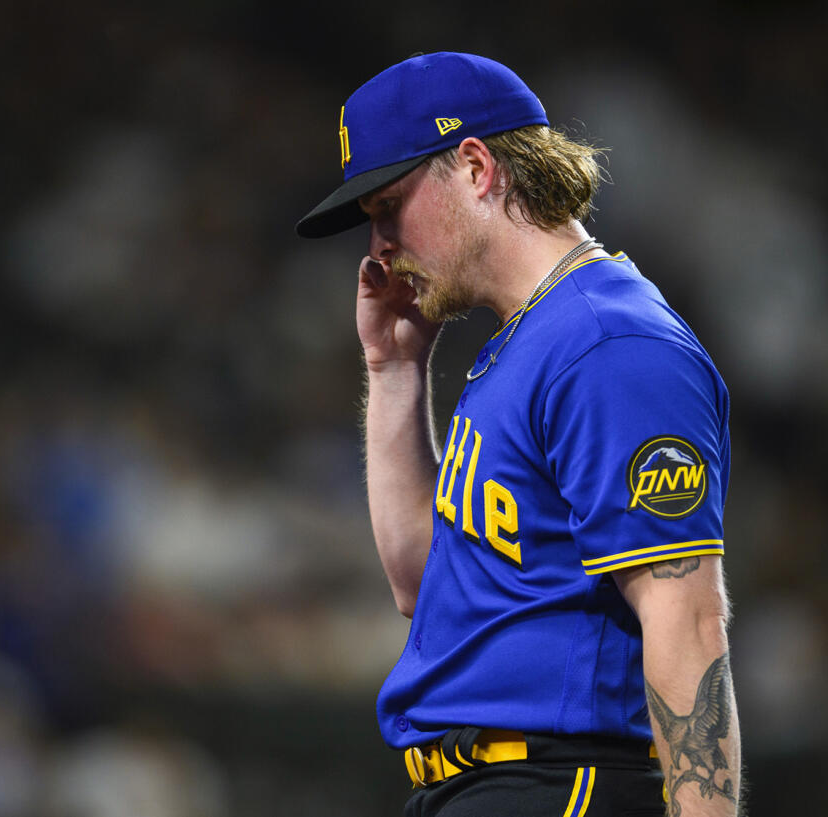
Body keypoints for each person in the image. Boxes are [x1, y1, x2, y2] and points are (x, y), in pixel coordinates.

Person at [296, 52, 740, 817]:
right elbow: (420, 583)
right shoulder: (524, 340)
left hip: (559, 783)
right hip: (480, 785)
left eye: (388, 206)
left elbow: (687, 618)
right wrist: (396, 369)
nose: (379, 247)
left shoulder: (609, 343)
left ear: (475, 168)